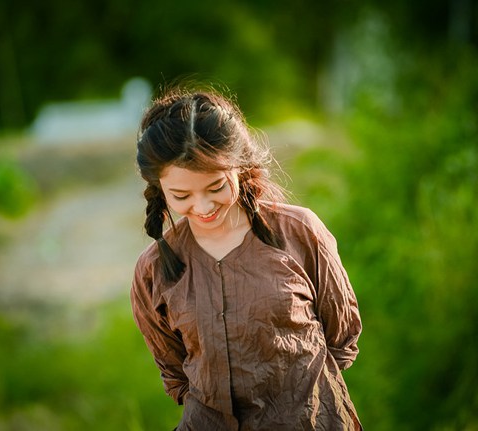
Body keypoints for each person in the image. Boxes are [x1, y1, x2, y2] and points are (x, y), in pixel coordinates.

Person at [130, 85, 363, 430]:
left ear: (240, 168)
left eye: (216, 187)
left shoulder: (300, 232)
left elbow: (341, 336)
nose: (204, 207)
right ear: (159, 190)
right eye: (181, 195)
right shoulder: (152, 270)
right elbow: (175, 372)